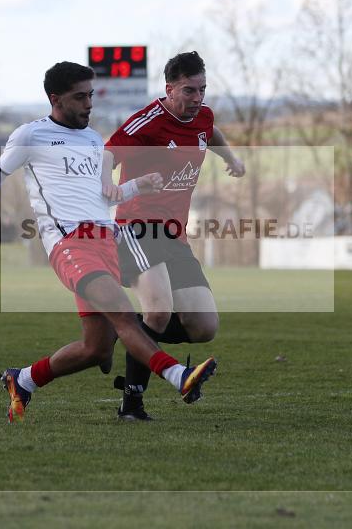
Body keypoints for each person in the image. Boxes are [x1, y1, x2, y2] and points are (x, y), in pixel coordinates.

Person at [0, 61, 217, 423]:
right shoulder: (31, 135)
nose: (89, 104)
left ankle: (23, 379)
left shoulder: (93, 140)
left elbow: (100, 198)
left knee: (95, 349)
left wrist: (137, 186)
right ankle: (179, 376)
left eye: (91, 95)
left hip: (105, 240)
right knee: (125, 316)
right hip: (69, 245)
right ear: (55, 99)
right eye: (80, 97)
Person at [101, 51, 245, 421]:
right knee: (160, 311)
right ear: (169, 88)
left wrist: (230, 158)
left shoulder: (203, 117)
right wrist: (106, 185)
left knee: (203, 326)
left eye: (202, 90)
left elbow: (209, 133)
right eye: (188, 90)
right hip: (137, 227)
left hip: (174, 236)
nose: (197, 98)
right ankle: (131, 404)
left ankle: (129, 330)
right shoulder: (148, 122)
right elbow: (109, 152)